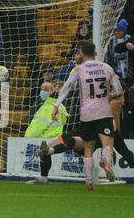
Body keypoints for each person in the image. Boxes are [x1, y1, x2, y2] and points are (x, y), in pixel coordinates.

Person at [52, 41, 123, 191]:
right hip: (103, 111)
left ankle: (89, 182)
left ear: (81, 53)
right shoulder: (107, 68)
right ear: (95, 52)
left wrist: (57, 105)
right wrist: (110, 95)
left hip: (86, 114)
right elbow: (119, 90)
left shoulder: (78, 69)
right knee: (107, 144)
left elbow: (66, 87)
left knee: (88, 147)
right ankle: (106, 162)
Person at [29, 125, 134, 185]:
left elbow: (127, 156)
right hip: (81, 141)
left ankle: (105, 163)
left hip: (83, 144)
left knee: (71, 141)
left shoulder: (113, 134)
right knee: (66, 142)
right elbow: (127, 156)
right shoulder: (103, 126)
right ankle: (44, 177)